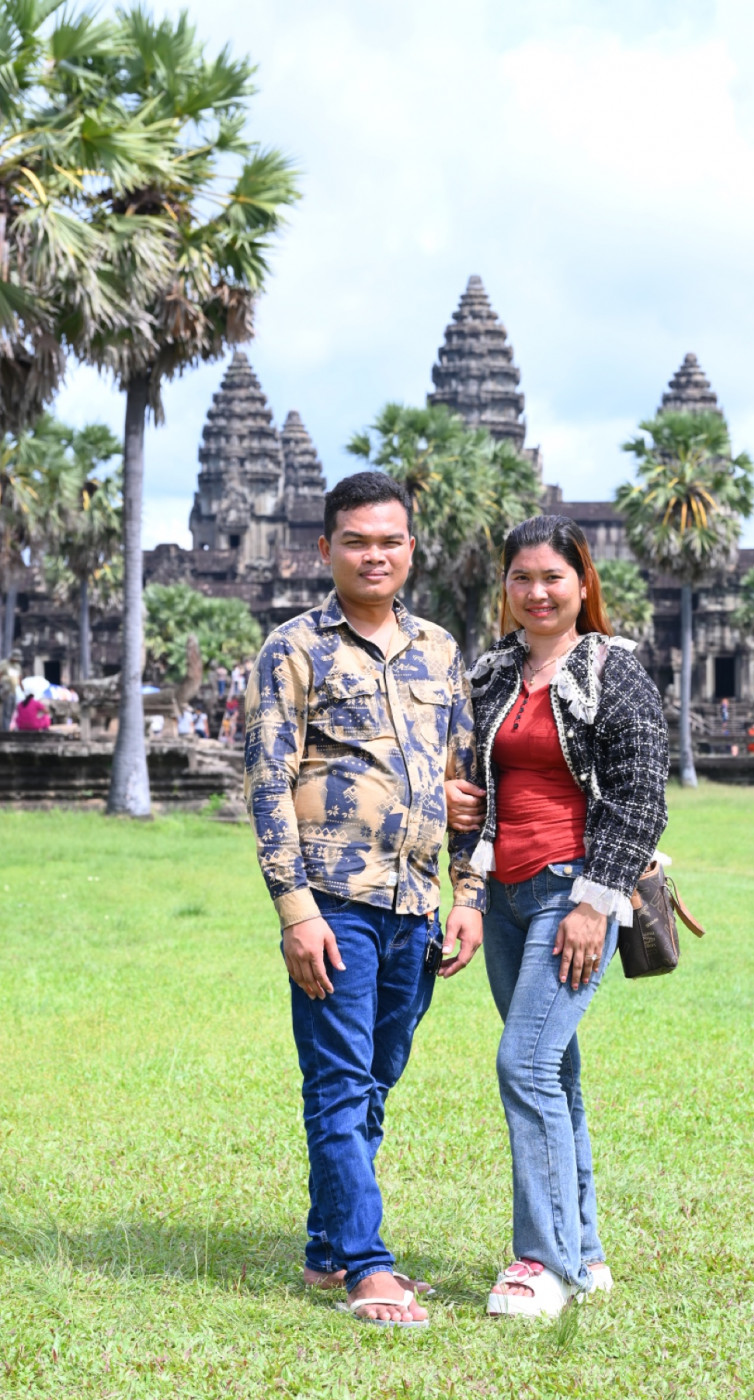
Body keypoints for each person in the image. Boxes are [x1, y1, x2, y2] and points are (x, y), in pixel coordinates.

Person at [244, 471, 484, 1329]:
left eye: (389, 541)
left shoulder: (441, 650)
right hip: (335, 900)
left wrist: (469, 893)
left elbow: (466, 785)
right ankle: (369, 1266)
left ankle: (326, 1249)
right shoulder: (293, 649)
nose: (373, 555)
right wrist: (296, 913)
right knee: (341, 1084)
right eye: (356, 541)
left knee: (375, 1082)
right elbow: (268, 785)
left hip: (416, 905)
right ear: (326, 550)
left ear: (410, 550)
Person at [447, 515, 668, 1318]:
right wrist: (466, 880)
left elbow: (641, 800)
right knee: (554, 1070)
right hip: (506, 895)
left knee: (525, 1064)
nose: (536, 593)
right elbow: (474, 789)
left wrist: (593, 903)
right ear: (505, 586)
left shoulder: (615, 671)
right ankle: (585, 1252)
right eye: (521, 578)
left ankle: (541, 1263)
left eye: (552, 578)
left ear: (582, 584)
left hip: (573, 893)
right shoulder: (492, 674)